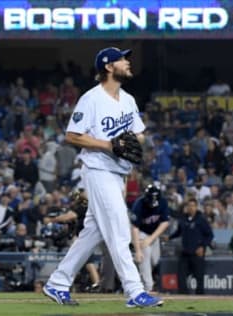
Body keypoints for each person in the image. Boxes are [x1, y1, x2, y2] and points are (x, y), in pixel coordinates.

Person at [43, 47, 163, 307]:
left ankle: (57, 283)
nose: (127, 62)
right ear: (109, 67)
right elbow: (72, 135)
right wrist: (109, 144)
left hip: (118, 173)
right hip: (98, 169)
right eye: (122, 59)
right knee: (119, 230)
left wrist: (130, 140)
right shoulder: (92, 98)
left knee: (93, 232)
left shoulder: (128, 99)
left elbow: (139, 134)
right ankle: (135, 291)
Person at [170, 198, 214, 295]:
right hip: (185, 252)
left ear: (196, 207)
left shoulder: (201, 219)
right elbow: (179, 232)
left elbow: (210, 235)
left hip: (197, 253)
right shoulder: (183, 219)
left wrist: (202, 246)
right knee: (181, 276)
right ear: (187, 207)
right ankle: (183, 296)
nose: (191, 208)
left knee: (199, 277)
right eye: (189, 206)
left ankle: (200, 298)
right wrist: (169, 237)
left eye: (193, 206)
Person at [131, 184, 170, 292]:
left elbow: (165, 223)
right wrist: (138, 250)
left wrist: (151, 239)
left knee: (155, 261)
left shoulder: (162, 202)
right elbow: (134, 228)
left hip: (154, 234)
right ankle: (148, 287)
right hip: (141, 232)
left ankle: (140, 275)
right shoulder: (139, 204)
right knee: (145, 255)